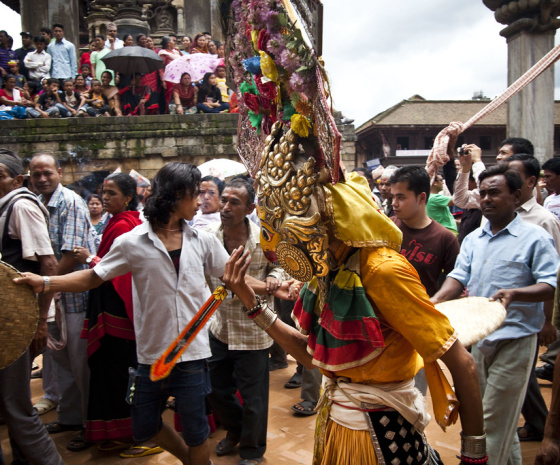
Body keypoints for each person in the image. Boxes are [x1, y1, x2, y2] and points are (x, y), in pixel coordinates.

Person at [222, 122, 486, 465]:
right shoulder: (327, 268)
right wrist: (247, 297)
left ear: (323, 222)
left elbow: (462, 363)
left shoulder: (383, 271)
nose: (287, 244)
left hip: (381, 433)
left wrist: (474, 455)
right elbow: (312, 355)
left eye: (292, 228)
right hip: (338, 421)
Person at [16, 162, 231, 465]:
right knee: (145, 427)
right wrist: (45, 282)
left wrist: (272, 286)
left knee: (197, 432)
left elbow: (232, 276)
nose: (199, 201)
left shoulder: (203, 240)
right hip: (150, 355)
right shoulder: (132, 242)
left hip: (192, 355)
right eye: (195, 194)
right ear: (178, 195)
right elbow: (93, 277)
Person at [432, 164, 559, 465]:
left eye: (494, 193)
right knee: (497, 418)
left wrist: (516, 294)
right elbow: (458, 276)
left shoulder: (535, 237)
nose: (486, 199)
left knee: (490, 419)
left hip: (516, 337)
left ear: (516, 196)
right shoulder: (474, 238)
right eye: (483, 193)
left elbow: (550, 284)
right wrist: (434, 301)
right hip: (480, 338)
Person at [72, 173, 164, 458]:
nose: (105, 198)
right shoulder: (119, 221)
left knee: (115, 373)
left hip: (116, 313)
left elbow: (117, 270)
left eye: (112, 193)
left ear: (127, 197)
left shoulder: (125, 225)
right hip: (113, 307)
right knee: (114, 373)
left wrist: (89, 258)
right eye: (104, 192)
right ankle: (118, 430)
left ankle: (126, 432)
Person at [205, 177, 285, 465]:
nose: (225, 207)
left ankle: (252, 452)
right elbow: (222, 278)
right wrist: (266, 286)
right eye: (223, 200)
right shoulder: (208, 237)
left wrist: (275, 278)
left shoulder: (264, 238)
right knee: (214, 389)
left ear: (250, 207)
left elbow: (280, 265)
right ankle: (236, 429)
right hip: (220, 327)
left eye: (234, 202)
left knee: (255, 399)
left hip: (254, 329)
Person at [28, 153, 96, 451]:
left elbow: (69, 256)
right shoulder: (36, 205)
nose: (42, 179)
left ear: (58, 172)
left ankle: (89, 424)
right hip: (50, 298)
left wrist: (48, 285)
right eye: (36, 174)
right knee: (60, 361)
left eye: (47, 173)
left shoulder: (69, 202)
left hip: (73, 299)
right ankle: (69, 418)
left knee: (81, 365)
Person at [0, 149, 64, 465]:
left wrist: (40, 322)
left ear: (17, 179)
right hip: (7, 321)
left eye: (0, 176)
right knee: (10, 405)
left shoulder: (21, 206)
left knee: (17, 407)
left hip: (17, 323)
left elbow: (49, 264)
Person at [505, 154, 560, 444]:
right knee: (520, 377)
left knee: (520, 375)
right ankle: (536, 423)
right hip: (503, 314)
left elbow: (552, 277)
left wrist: (547, 321)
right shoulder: (503, 217)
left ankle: (538, 425)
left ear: (529, 182)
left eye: (512, 175)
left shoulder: (543, 221)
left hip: (529, 315)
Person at [389, 166, 460, 297]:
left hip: (423, 311)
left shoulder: (445, 238)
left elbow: (456, 280)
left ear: (421, 198)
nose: (394, 203)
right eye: (393, 197)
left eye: (401, 197)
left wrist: (436, 301)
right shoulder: (386, 227)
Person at [158, 36, 181, 106]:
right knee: (170, 95)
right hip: (169, 78)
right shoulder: (163, 53)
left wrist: (179, 52)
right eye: (172, 41)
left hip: (179, 76)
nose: (174, 43)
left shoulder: (176, 53)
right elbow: (161, 68)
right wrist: (163, 80)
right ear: (168, 43)